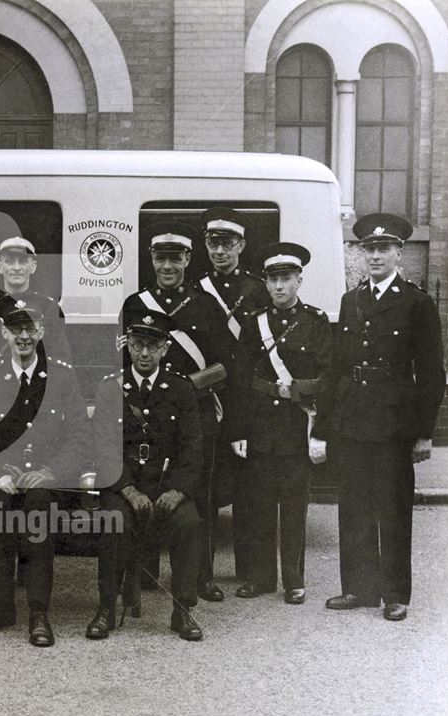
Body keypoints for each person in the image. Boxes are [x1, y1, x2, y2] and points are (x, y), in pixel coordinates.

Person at [319, 213, 444, 621]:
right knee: (353, 506)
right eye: (368, 249)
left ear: (398, 253)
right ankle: (358, 589)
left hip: (394, 424)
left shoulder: (416, 302)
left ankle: (395, 593)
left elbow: (430, 372)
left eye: (383, 248)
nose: (374, 256)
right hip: (353, 420)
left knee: (391, 508)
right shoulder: (351, 301)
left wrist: (424, 433)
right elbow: (337, 367)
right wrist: (326, 425)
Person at [122, 222, 234, 602]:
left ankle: (200, 577)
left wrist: (186, 388)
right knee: (148, 484)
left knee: (198, 495)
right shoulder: (136, 304)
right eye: (161, 257)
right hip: (147, 413)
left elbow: (223, 364)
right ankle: (146, 571)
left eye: (176, 257)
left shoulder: (205, 304)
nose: (168, 265)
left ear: (188, 259)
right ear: (152, 260)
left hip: (194, 411)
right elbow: (127, 360)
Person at [0, 296, 89, 647]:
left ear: (41, 332)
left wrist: (52, 471)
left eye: (30, 328)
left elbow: (80, 437)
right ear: (4, 333)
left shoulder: (62, 378)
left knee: (38, 508)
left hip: (48, 482)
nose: (23, 335)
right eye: (15, 328)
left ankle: (38, 613)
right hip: (4, 480)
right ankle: (1, 607)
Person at [89, 303, 204, 641]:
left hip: (168, 485)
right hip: (124, 485)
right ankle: (106, 607)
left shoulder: (181, 390)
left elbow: (193, 448)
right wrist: (128, 490)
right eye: (137, 344)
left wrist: (177, 491)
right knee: (115, 524)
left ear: (165, 348)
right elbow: (103, 448)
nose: (144, 353)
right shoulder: (110, 388)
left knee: (188, 523)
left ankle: (182, 610)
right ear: (127, 344)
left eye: (152, 346)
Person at [226, 243, 332, 604]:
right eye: (273, 279)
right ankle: (261, 577)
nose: (279, 286)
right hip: (259, 426)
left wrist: (318, 430)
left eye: (286, 278)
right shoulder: (253, 322)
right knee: (259, 506)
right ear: (266, 283)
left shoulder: (316, 322)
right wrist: (238, 430)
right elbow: (240, 380)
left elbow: (328, 378)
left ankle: (294, 579)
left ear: (299, 280)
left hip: (295, 427)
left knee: (293, 508)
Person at [196, 207, 270, 580]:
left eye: (227, 243)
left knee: (247, 488)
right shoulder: (197, 288)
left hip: (248, 400)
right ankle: (203, 572)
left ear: (241, 245)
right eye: (213, 243)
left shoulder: (258, 288)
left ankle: (249, 572)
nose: (220, 251)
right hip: (210, 398)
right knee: (207, 485)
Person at [0, 236, 71, 365]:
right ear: (0, 267)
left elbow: (60, 358)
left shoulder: (49, 308)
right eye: (10, 261)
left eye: (22, 261)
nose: (17, 267)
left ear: (33, 266)